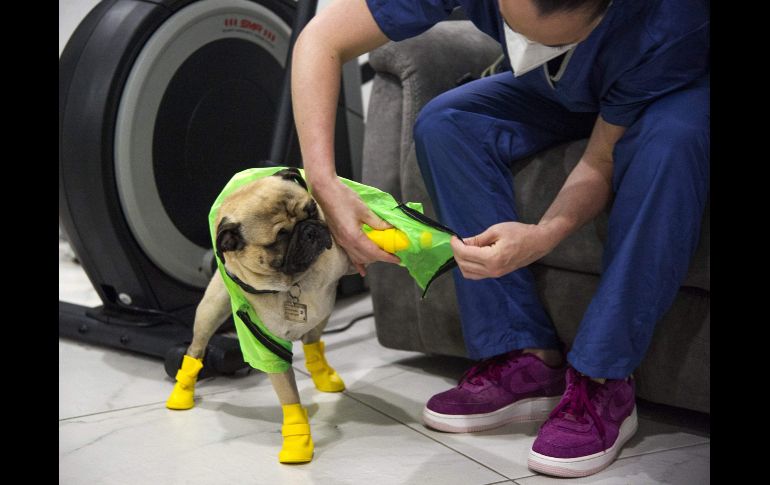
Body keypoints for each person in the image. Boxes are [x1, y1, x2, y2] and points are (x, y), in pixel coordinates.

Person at [291, 0, 709, 477]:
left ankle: (603, 374)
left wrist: (544, 233)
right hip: (565, 87)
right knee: (446, 123)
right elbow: (322, 38)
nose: (526, 46)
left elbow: (599, 160)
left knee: (671, 143)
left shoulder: (670, 20)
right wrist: (324, 183)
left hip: (668, 88)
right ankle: (524, 355)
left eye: (555, 41)